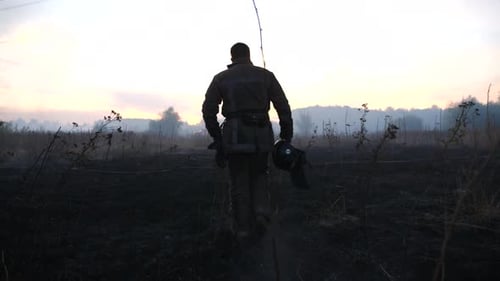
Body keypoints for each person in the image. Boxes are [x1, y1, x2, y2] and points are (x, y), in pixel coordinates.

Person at [202, 42, 293, 241]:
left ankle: (242, 229)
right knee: (261, 175)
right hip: (262, 136)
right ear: (249, 55)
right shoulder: (265, 76)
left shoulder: (221, 79)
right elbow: (282, 105)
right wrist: (286, 135)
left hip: (235, 138)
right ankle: (261, 214)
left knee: (238, 181)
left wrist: (217, 138)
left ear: (232, 57)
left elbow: (208, 110)